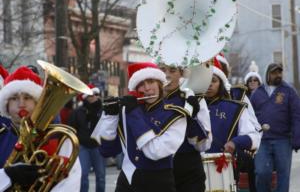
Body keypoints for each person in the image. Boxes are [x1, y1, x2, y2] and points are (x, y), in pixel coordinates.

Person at [91, 62, 189, 192]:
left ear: (160, 84)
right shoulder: (126, 111)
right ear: (135, 90)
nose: (147, 88)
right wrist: (110, 117)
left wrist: (134, 113)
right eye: (141, 84)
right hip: (126, 181)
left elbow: (155, 152)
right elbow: (107, 151)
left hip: (158, 184)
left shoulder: (175, 114)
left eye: (150, 82)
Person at [0, 66, 81, 191]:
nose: (21, 104)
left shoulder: (58, 138)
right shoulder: (1, 135)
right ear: (6, 104)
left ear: (37, 102)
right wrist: (7, 175)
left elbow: (71, 180)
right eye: (14, 98)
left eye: (27, 98)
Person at [159, 63, 211, 192]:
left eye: (172, 71)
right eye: (162, 70)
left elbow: (204, 145)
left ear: (182, 74)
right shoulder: (150, 100)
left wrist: (192, 118)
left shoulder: (194, 99)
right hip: (159, 170)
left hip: (188, 170)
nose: (167, 75)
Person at [250, 63, 300, 192]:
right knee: (262, 172)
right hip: (262, 141)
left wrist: (297, 136)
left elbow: (296, 115)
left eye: (279, 72)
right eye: (274, 73)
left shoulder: (289, 91)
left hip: (283, 140)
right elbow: (249, 116)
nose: (278, 75)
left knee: (283, 176)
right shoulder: (257, 93)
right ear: (267, 74)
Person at [205, 58, 260, 154]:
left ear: (221, 84)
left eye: (213, 81)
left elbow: (254, 137)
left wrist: (235, 143)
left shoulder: (234, 107)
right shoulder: (191, 106)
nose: (209, 84)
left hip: (222, 164)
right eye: (205, 80)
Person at [68, 84, 106, 192]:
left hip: (99, 146)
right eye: (91, 95)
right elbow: (72, 128)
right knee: (83, 175)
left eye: (96, 94)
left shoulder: (104, 110)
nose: (94, 96)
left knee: (101, 176)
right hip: (83, 146)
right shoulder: (77, 112)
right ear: (85, 97)